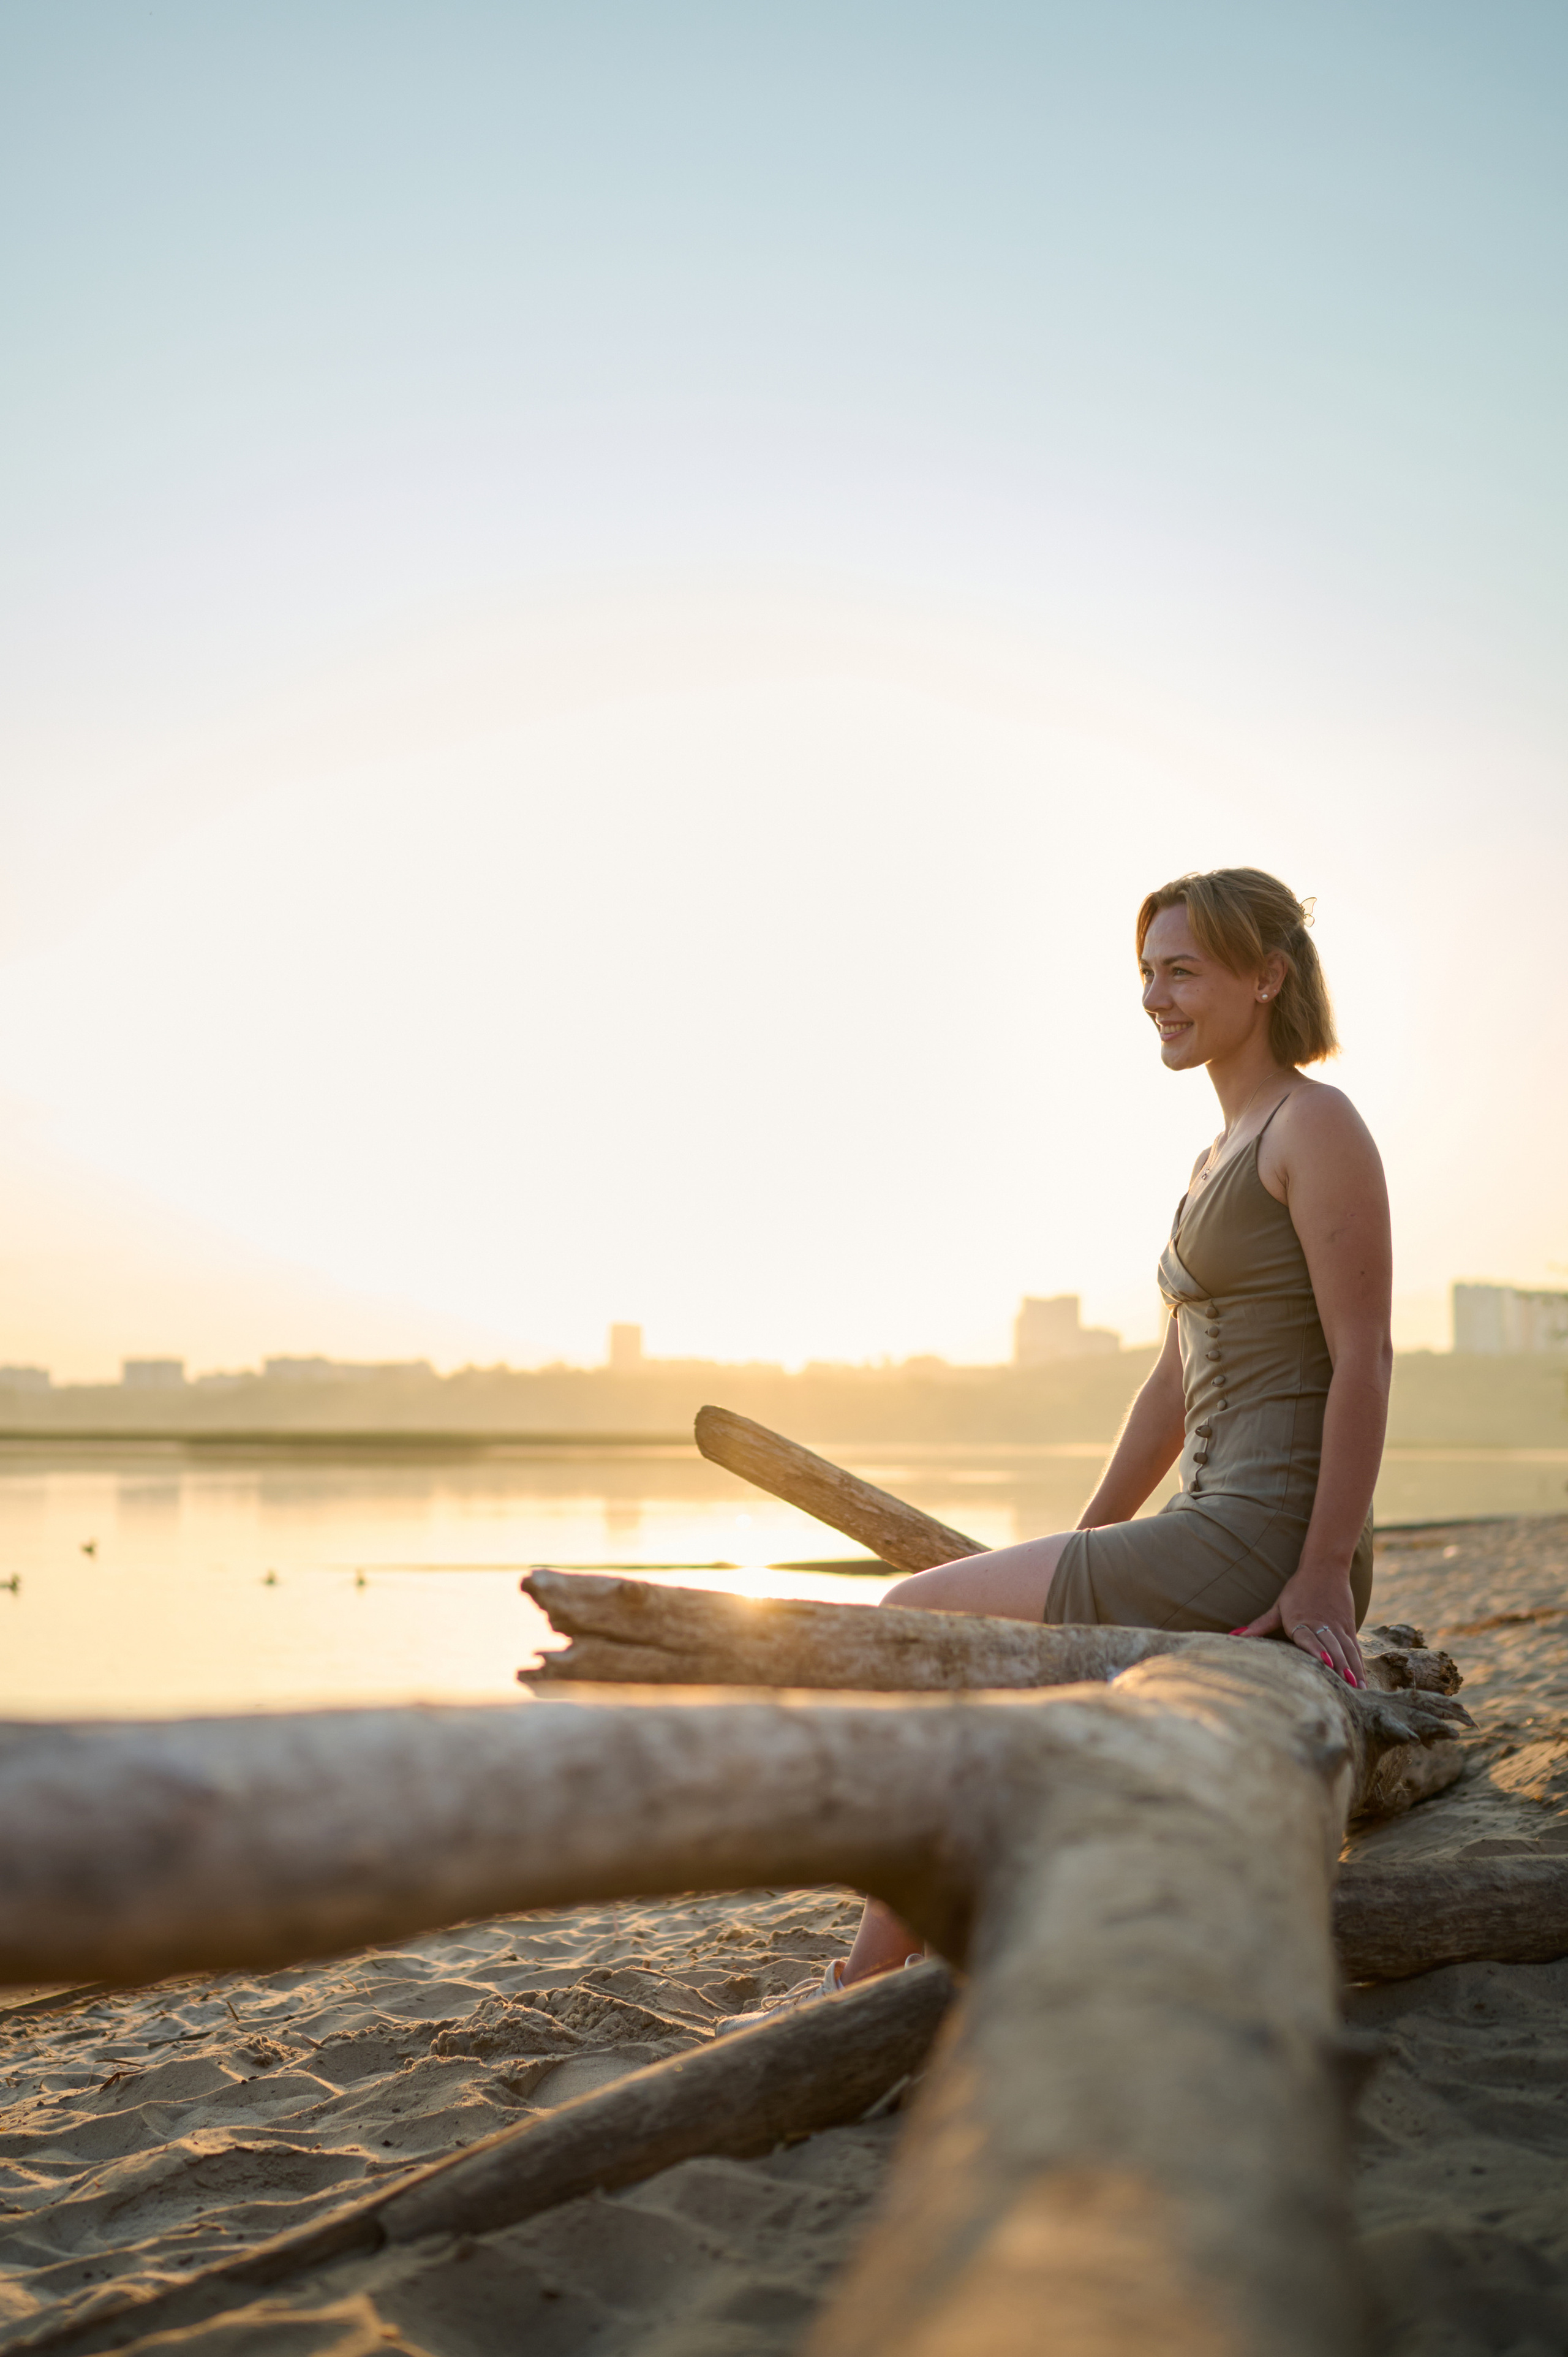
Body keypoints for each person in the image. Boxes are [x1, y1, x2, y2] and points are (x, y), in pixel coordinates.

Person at [836, 865, 1393, 1991]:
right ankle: (925, 1942)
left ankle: (869, 1977)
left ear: (1266, 978)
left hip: (1272, 1535)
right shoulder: (1213, 1157)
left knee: (907, 1620)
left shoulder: (1316, 1123)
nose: (1154, 998)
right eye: (1146, 973)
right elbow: (1171, 1384)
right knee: (986, 1660)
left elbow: (1365, 1356)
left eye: (1181, 971)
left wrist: (1324, 1568)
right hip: (1210, 1520)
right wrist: (1086, 1538)